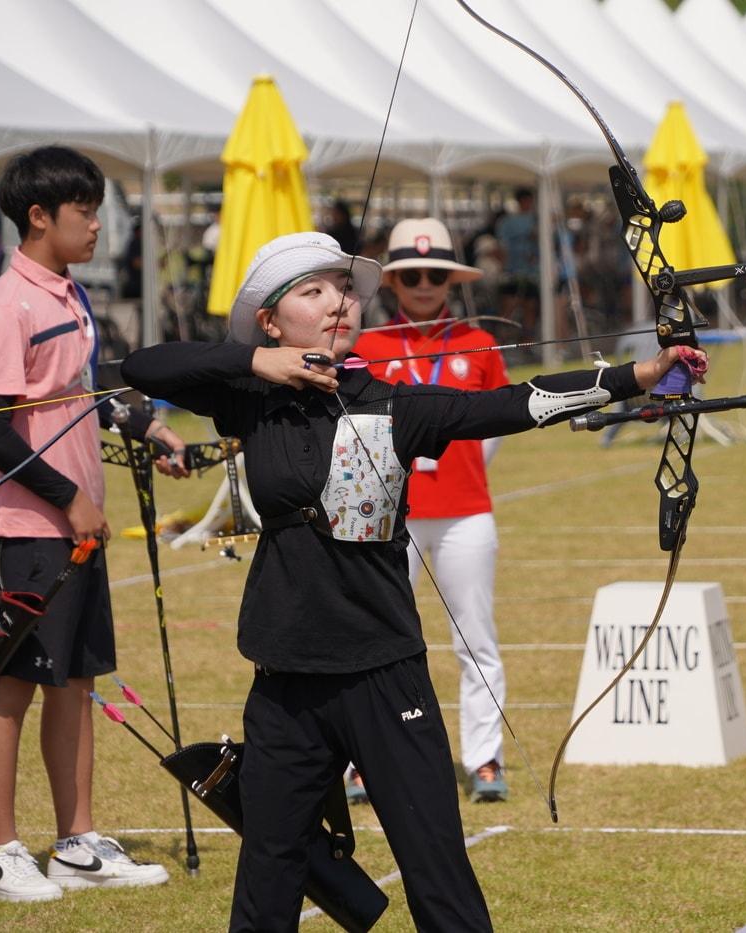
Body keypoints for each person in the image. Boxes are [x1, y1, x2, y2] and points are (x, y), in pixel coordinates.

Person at [120, 230, 707, 931]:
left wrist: (638, 375)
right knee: (269, 872)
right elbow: (143, 364)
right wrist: (260, 361)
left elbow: (515, 404)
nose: (338, 301)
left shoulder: (398, 406)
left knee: (438, 872)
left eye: (344, 289)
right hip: (284, 680)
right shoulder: (250, 398)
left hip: (384, 673)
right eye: (313, 291)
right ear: (272, 322)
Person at [0, 145, 187, 902]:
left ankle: (77, 842)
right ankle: (0, 853)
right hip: (26, 529)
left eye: (97, 210)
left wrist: (146, 428)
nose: (97, 226)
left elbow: (78, 395)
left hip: (75, 529)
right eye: (85, 212)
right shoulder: (8, 303)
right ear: (39, 216)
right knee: (5, 687)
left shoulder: (68, 294)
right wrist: (68, 497)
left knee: (75, 681)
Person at [354, 218, 511, 803]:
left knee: (476, 640)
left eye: (437, 274)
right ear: (393, 282)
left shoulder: (480, 344)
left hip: (466, 511)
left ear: (451, 279)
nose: (425, 284)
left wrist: (463, 471)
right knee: (378, 642)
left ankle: (485, 760)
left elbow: (495, 429)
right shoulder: (367, 349)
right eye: (413, 275)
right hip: (390, 517)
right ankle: (368, 761)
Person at [494, 187, 540, 339]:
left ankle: (528, 341)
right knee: (509, 306)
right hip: (512, 272)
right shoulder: (507, 222)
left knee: (530, 307)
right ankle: (502, 339)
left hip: (531, 273)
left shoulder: (537, 220)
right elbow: (501, 247)